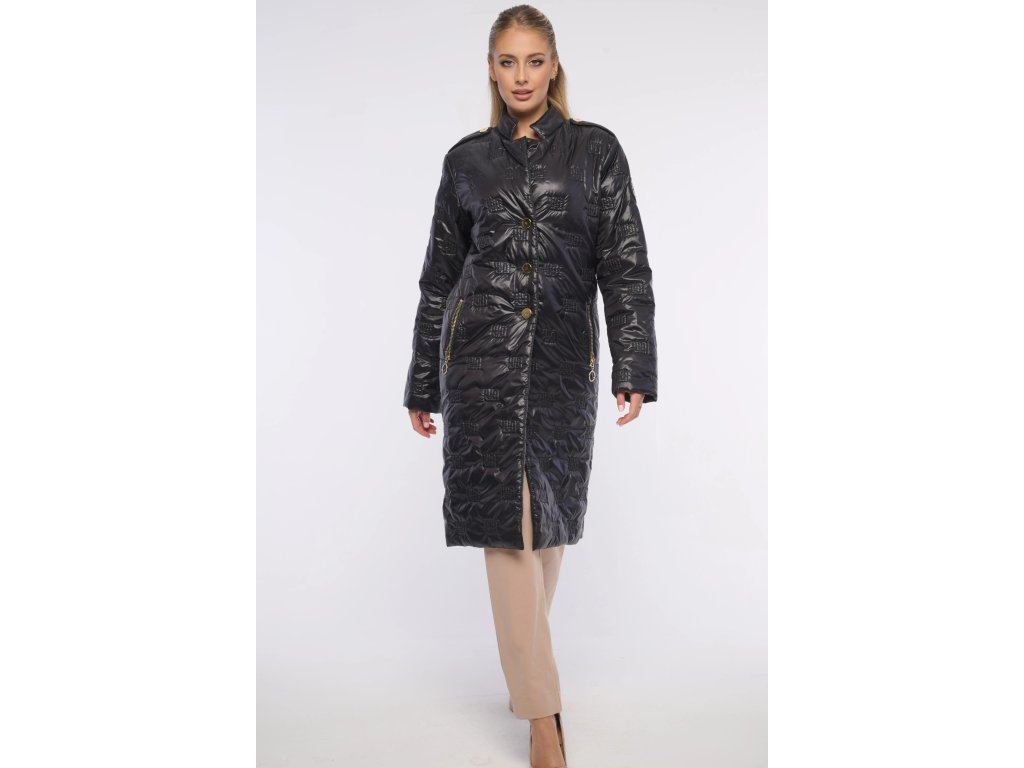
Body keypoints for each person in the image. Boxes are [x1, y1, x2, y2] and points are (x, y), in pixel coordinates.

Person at [404, 5, 658, 766]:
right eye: (508, 62)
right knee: (508, 534)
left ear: (554, 66)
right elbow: (439, 279)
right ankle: (544, 720)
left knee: (545, 533)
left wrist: (634, 364)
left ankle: (527, 675)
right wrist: (423, 379)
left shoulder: (595, 151)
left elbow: (625, 264)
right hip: (481, 366)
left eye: (534, 61)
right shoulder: (466, 162)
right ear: (491, 68)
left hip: (561, 368)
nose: (521, 76)